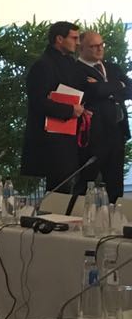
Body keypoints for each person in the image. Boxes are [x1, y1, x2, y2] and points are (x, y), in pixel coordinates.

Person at [22, 21, 90, 192]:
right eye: (74, 38)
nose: (77, 43)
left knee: (70, 187)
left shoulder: (70, 63)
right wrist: (70, 110)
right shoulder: (43, 65)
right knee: (59, 189)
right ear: (59, 39)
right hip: (52, 140)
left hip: (69, 135)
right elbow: (38, 102)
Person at [79, 30, 130, 203]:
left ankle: (116, 216)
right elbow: (94, 91)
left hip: (117, 132)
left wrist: (105, 87)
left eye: (101, 44)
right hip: (93, 135)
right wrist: (118, 86)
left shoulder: (112, 67)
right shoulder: (76, 70)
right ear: (81, 48)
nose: (99, 49)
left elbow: (129, 89)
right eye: (93, 46)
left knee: (115, 185)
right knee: (85, 183)